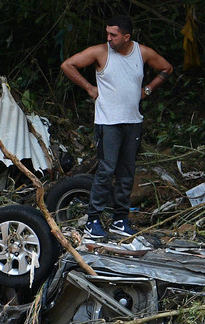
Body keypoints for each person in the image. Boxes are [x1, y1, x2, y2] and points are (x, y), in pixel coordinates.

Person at [61, 14, 172, 239]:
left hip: (132, 121)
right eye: (107, 33)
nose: (109, 38)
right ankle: (93, 221)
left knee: (126, 173)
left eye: (113, 35)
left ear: (126, 36)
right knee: (106, 171)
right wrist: (89, 88)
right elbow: (68, 65)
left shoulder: (142, 52)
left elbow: (167, 68)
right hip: (108, 122)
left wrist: (147, 90)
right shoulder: (100, 52)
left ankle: (119, 220)